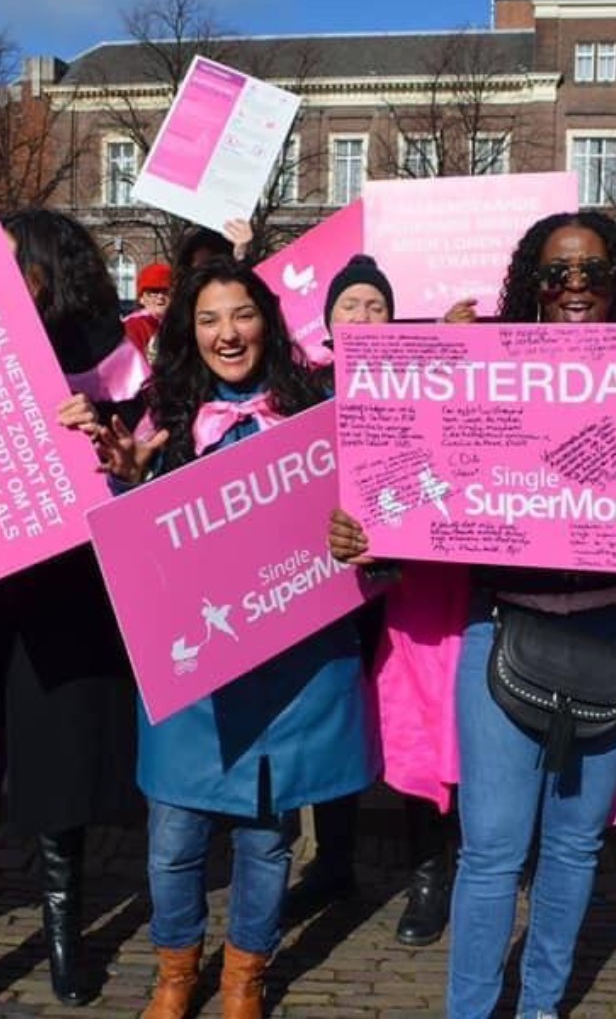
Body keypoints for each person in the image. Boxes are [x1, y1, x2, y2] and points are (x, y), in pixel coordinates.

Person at [331, 210, 616, 1017]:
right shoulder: (481, 374)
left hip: (615, 638)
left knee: (574, 850)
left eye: (593, 271)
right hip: (502, 633)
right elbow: (419, 502)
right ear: (527, 285)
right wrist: (370, 532)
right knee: (492, 852)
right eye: (555, 271)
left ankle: (539, 1008)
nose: (574, 285)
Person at [94, 257, 379, 1019]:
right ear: (190, 330)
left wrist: (364, 540)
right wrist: (126, 481)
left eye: (242, 314)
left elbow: (373, 522)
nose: (228, 332)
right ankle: (175, 972)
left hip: (293, 664)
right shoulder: (163, 419)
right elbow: (136, 549)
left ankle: (245, 977)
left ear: (268, 322)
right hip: (195, 672)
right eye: (210, 318)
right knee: (174, 838)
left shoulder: (322, 410)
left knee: (266, 840)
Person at [0, 209, 147, 1018]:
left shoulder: (110, 363)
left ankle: (62, 937)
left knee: (60, 768)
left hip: (65, 593)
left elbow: (140, 477)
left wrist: (102, 442)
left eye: (9, 261)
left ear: (48, 268)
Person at [287, 254, 461, 948]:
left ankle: (430, 873)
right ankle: (333, 860)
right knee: (335, 718)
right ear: (327, 321)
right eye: (349, 305)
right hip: (331, 587)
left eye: (375, 305)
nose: (361, 317)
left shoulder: (426, 384)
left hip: (412, 589)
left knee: (418, 724)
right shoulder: (299, 394)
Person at [124, 262, 172, 362]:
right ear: (142, 298)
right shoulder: (132, 326)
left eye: (166, 291)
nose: (161, 297)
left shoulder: (176, 323)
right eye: (154, 292)